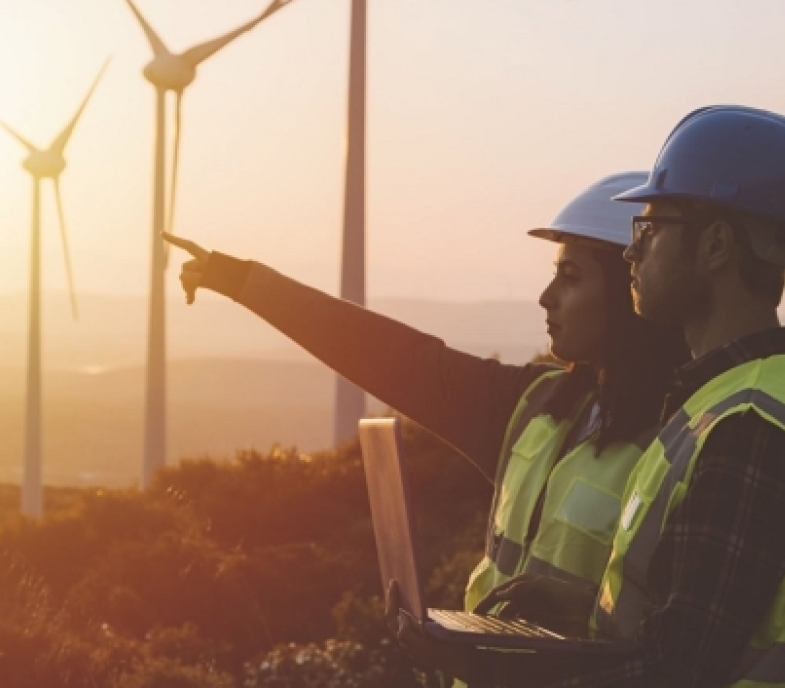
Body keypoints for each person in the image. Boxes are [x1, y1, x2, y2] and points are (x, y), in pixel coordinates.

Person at [164, 172, 688, 630]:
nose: (546, 296)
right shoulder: (534, 407)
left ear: (630, 292)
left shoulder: (687, 439)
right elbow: (385, 353)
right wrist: (241, 281)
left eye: (570, 278)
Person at [441, 106, 785, 687]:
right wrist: (590, 609)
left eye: (649, 230)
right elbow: (687, 626)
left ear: (717, 246)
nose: (631, 251)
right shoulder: (714, 404)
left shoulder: (748, 424)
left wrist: (497, 668)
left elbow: (677, 671)